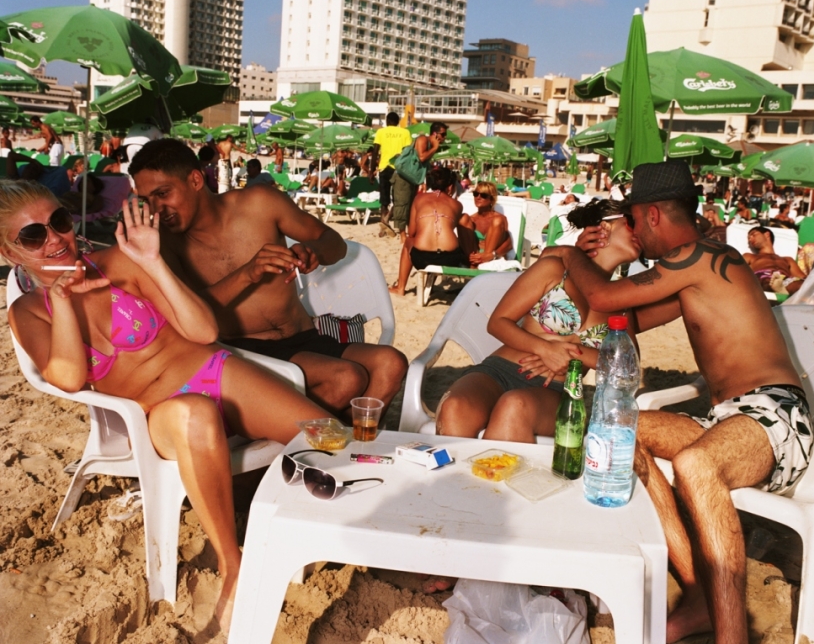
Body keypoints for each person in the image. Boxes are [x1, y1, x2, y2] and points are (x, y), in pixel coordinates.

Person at [0, 179, 332, 632]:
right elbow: (69, 377)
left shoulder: (120, 262)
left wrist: (151, 261)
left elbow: (200, 330)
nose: (55, 239)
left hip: (212, 369)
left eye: (57, 222)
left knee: (330, 436)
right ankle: (233, 566)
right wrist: (59, 300)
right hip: (159, 416)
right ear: (10, 252)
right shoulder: (29, 312)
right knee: (192, 412)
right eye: (33, 236)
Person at [546, 161, 812, 644]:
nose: (630, 232)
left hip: (775, 416)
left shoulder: (702, 255)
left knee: (694, 463)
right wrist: (601, 261)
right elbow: (612, 319)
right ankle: (699, 594)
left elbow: (603, 298)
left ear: (649, 216)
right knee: (620, 430)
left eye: (630, 222)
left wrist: (566, 253)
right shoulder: (693, 270)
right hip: (726, 419)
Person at [128, 139, 407, 419]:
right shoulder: (163, 244)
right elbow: (190, 318)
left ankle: (340, 446)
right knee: (346, 378)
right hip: (243, 352)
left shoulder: (260, 203)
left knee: (391, 363)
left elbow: (335, 242)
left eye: (163, 193)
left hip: (304, 337)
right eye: (146, 200)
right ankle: (327, 446)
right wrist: (248, 273)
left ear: (196, 180)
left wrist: (315, 252)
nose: (156, 209)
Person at [438, 198, 639, 442]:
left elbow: (627, 368)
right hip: (497, 372)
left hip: (554, 391)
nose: (640, 230)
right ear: (605, 228)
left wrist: (569, 355)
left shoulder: (620, 300)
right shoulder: (555, 269)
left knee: (515, 406)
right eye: (632, 222)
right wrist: (545, 348)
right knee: (455, 407)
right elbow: (498, 322)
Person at [389, 166, 467, 297]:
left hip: (422, 258)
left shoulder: (419, 199)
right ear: (450, 187)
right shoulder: (457, 205)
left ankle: (401, 287)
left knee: (409, 241)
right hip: (450, 258)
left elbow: (412, 232)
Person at [391, 122, 446, 238]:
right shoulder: (423, 139)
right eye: (443, 134)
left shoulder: (430, 145)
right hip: (403, 177)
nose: (444, 138)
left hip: (412, 178)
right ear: (435, 134)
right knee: (402, 204)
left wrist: (423, 181)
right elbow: (421, 158)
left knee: (411, 205)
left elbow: (423, 166)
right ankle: (402, 235)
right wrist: (435, 147)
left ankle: (409, 231)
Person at [371, 112, 412, 235]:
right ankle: (387, 219)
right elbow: (407, 152)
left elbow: (375, 152)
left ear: (387, 121)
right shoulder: (405, 132)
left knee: (384, 199)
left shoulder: (380, 132)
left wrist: (371, 171)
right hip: (399, 168)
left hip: (384, 167)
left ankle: (384, 223)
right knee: (398, 199)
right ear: (398, 121)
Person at [457, 181, 512, 267]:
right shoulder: (470, 220)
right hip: (472, 257)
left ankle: (481, 262)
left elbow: (508, 245)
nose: (478, 197)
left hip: (491, 258)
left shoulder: (500, 219)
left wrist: (492, 255)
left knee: (497, 220)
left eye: (483, 195)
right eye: (476, 194)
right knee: (463, 218)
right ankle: (473, 262)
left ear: (491, 199)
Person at [744, 226, 806, 295]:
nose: (750, 240)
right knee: (765, 281)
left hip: (784, 281)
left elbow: (802, 277)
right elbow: (736, 271)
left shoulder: (787, 259)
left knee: (802, 285)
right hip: (762, 278)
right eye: (749, 238)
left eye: (753, 235)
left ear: (767, 234)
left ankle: (781, 290)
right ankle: (779, 290)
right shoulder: (749, 256)